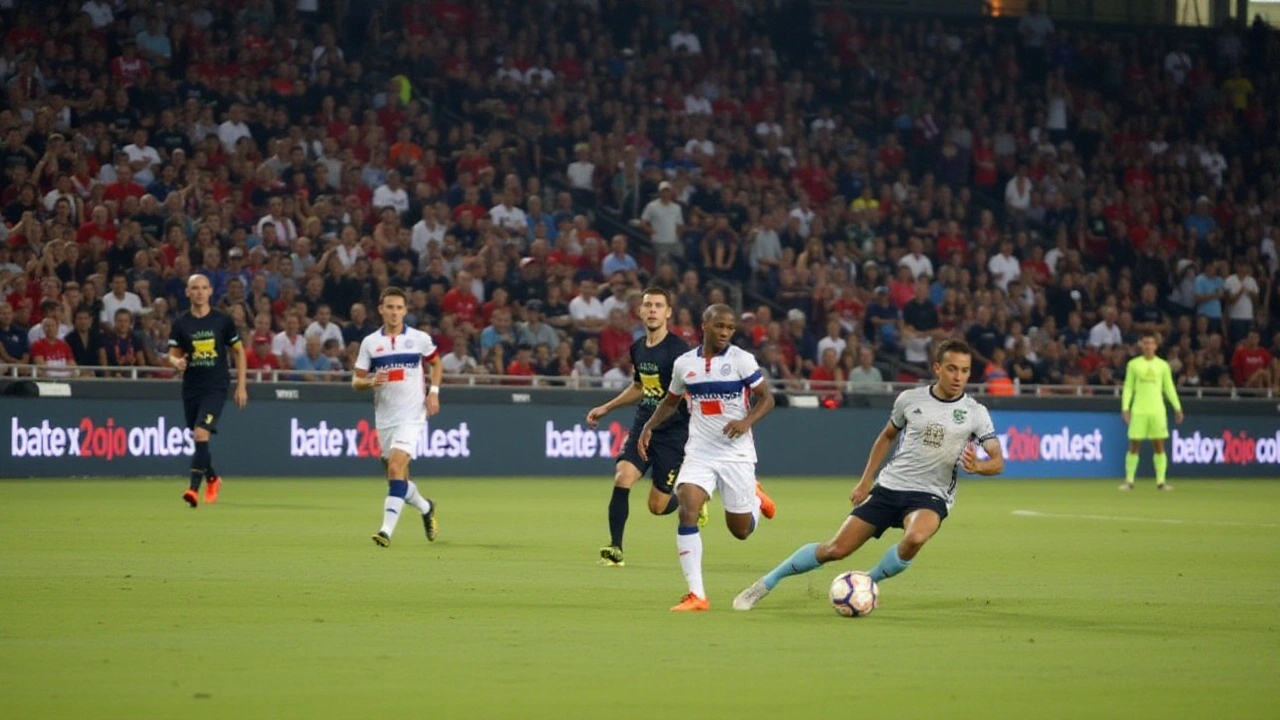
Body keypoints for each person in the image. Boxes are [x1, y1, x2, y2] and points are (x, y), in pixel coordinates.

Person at [732, 339, 1004, 611]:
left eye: (965, 371)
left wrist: (980, 467)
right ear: (937, 368)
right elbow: (886, 437)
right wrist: (866, 480)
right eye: (952, 369)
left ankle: (865, 582)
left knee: (915, 538)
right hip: (890, 486)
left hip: (932, 494)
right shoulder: (910, 400)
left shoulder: (975, 413)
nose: (958, 377)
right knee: (835, 549)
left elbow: (997, 460)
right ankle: (765, 584)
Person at [638, 304, 777, 612]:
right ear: (705, 325)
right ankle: (697, 595)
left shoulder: (741, 360)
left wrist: (746, 422)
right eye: (720, 327)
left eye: (730, 328)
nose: (726, 332)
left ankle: (755, 498)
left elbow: (768, 398)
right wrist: (648, 426)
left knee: (740, 531)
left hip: (736, 454)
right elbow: (671, 401)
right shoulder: (685, 364)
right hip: (700, 451)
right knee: (687, 509)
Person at [585, 287, 693, 567]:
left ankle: (690, 503)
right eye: (649, 305)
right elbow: (639, 386)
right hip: (643, 424)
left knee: (657, 507)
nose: (653, 310)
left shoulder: (679, 352)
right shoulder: (638, 348)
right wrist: (607, 407)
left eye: (659, 305)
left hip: (673, 433)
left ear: (668, 312)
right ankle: (615, 548)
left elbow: (692, 393)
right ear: (641, 311)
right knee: (622, 476)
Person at [353, 287, 444, 547]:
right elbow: (356, 381)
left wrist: (434, 392)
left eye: (399, 308)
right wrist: (370, 381)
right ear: (381, 309)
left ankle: (385, 531)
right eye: (389, 307)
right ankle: (427, 507)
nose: (394, 312)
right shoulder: (371, 343)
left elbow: (436, 364)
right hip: (385, 418)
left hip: (412, 414)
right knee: (397, 479)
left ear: (405, 311)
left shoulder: (419, 339)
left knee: (395, 467)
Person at [167, 274, 248, 508]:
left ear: (211, 291)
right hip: (192, 387)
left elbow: (239, 351)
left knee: (201, 434)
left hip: (216, 385)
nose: (200, 292)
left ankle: (193, 490)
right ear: (188, 293)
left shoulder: (222, 321)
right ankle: (212, 478)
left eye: (204, 288)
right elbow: (172, 354)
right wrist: (177, 363)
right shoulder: (181, 323)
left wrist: (241, 386)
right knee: (198, 436)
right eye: (195, 288)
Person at [1120, 331, 1184, 491]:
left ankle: (1161, 482)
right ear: (1142, 345)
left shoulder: (1162, 365)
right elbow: (1128, 387)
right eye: (1145, 343)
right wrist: (1125, 408)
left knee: (1159, 445)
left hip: (1157, 410)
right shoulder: (1133, 365)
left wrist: (1177, 407)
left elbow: (1169, 388)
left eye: (1151, 343)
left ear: (1156, 346)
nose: (1148, 346)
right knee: (1134, 444)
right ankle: (1129, 481)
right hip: (1139, 410)